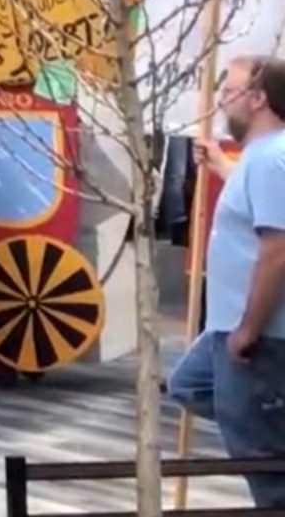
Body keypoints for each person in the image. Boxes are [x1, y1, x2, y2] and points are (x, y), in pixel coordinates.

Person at [171, 55, 285, 505]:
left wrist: (248, 330)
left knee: (264, 464)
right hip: (229, 329)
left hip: (258, 337)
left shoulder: (273, 159)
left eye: (229, 92)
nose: (221, 102)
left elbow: (277, 251)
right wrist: (221, 164)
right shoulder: (260, 158)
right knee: (189, 384)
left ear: (258, 99)